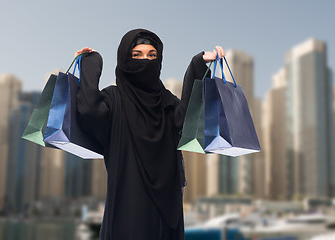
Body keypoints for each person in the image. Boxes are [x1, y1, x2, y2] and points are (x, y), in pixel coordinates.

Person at [74, 28, 225, 240]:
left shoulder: (165, 101)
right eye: (137, 55)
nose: (145, 61)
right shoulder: (113, 99)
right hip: (128, 208)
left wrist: (198, 64)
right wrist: (91, 62)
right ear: (124, 59)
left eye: (152, 56)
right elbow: (89, 109)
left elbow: (187, 116)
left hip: (166, 209)